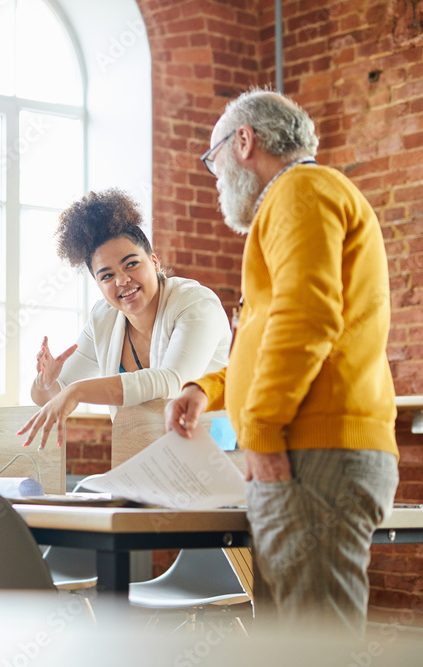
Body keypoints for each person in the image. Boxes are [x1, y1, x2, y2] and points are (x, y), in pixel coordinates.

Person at [165, 90, 399, 634]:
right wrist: (209, 388)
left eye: (213, 159)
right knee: (291, 644)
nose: (215, 176)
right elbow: (274, 334)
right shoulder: (298, 198)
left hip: (311, 454)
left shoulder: (300, 189)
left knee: (317, 646)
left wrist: (264, 431)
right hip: (308, 450)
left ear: (244, 141)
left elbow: (306, 317)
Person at [18, 189, 231, 448]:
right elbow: (50, 396)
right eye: (106, 276)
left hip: (214, 455)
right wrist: (46, 382)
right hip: (143, 460)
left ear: (154, 262)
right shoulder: (103, 319)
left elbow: (172, 381)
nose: (121, 280)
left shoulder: (195, 303)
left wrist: (77, 391)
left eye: (131, 264)